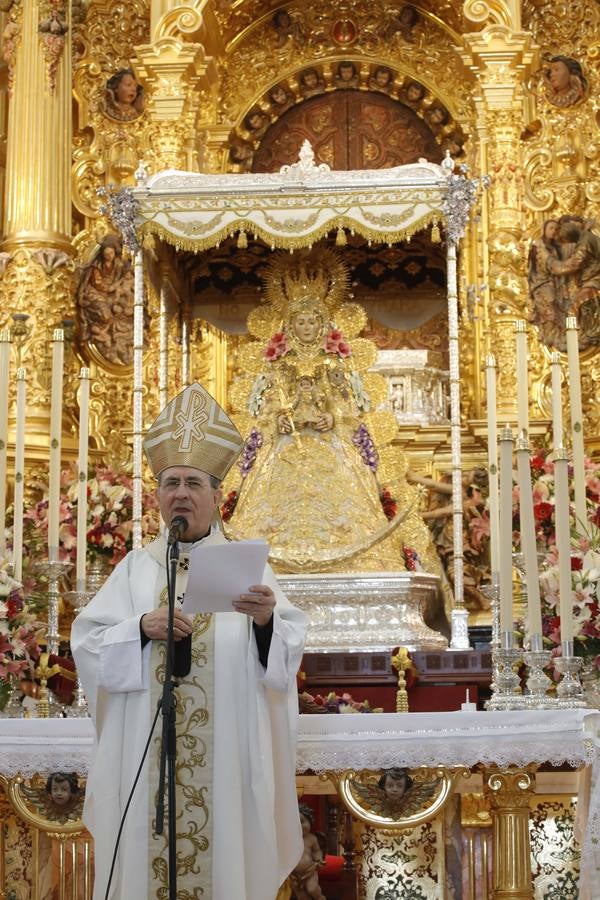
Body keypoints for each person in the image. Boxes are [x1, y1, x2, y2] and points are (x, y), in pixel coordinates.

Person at [71, 382, 307, 900]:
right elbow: (86, 644)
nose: (181, 492)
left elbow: (286, 654)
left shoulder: (249, 566)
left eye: (193, 483)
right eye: (170, 482)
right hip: (146, 758)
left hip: (226, 763)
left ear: (217, 496)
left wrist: (266, 622)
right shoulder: (135, 570)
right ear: (156, 496)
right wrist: (139, 629)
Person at [527, 219, 571, 351]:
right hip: (542, 283)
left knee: (561, 308)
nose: (553, 231)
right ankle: (549, 335)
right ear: (544, 230)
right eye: (551, 228)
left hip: (555, 283)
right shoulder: (538, 246)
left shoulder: (556, 248)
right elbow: (547, 265)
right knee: (549, 306)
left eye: (556, 229)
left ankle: (557, 335)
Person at [290, 806, 326, 900]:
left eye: (302, 822)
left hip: (309, 871)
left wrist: (319, 859)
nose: (300, 826)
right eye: (295, 823)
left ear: (310, 821)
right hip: (294, 875)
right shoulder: (289, 839)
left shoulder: (312, 839)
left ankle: (320, 898)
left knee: (312, 889)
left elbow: (317, 851)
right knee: (301, 895)